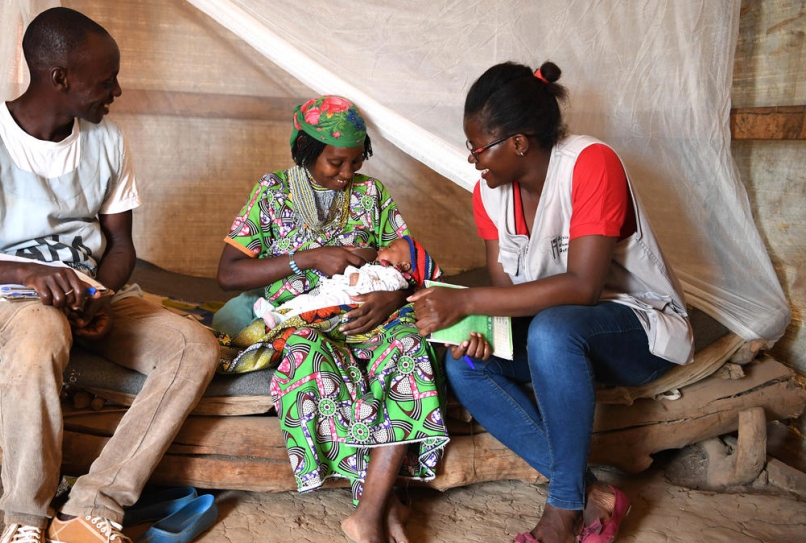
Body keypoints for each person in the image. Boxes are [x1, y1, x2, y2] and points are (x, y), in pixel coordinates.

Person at [0, 8, 220, 543]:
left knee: (193, 347)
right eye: (107, 81)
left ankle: (95, 503)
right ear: (60, 78)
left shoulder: (107, 141)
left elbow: (122, 246)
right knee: (40, 330)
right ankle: (25, 518)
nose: (117, 91)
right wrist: (28, 274)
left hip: (90, 291)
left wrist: (98, 297)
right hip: (2, 293)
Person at [409, 61, 693, 543]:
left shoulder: (590, 164)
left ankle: (562, 510)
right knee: (467, 367)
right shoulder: (489, 194)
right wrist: (479, 332)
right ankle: (593, 496)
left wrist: (466, 301)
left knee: (554, 330)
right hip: (554, 336)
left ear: (519, 142)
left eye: (479, 147)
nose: (474, 160)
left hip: (638, 327)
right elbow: (504, 296)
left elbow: (584, 287)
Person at [216, 95, 449, 543]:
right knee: (306, 359)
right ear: (304, 151)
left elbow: (409, 262)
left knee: (409, 344)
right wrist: (307, 258)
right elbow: (229, 274)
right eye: (336, 163)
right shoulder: (272, 193)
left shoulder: (372, 195)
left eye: (356, 163)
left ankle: (366, 514)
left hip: (373, 318)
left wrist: (390, 297)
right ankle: (386, 504)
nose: (346, 175)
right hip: (303, 322)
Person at [254, 236, 439, 328]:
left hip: (343, 299)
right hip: (334, 290)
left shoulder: (394, 276)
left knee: (311, 308)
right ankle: (275, 311)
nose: (383, 247)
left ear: (404, 265)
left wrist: (356, 276)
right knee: (304, 300)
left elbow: (377, 288)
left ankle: (282, 319)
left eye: (390, 248)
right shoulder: (380, 268)